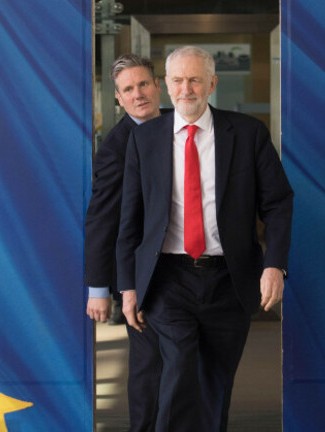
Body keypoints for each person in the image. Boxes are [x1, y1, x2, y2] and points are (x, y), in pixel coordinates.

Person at [116, 46, 293, 432]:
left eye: (195, 79)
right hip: (167, 279)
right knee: (179, 369)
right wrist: (128, 287)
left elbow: (278, 203)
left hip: (229, 279)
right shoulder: (145, 140)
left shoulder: (248, 135)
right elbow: (130, 220)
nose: (186, 89)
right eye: (177, 80)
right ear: (165, 85)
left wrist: (274, 264)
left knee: (216, 382)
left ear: (212, 83)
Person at [84, 53, 164, 432]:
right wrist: (98, 288)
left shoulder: (184, 126)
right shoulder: (116, 147)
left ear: (157, 85)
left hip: (189, 266)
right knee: (149, 368)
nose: (138, 94)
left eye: (143, 84)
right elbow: (102, 219)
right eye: (128, 89)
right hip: (141, 277)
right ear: (118, 98)